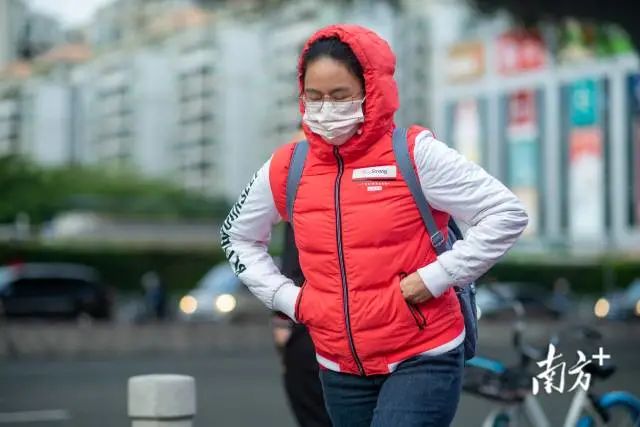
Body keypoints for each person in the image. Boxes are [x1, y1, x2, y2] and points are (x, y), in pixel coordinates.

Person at [221, 24, 529, 427]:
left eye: (339, 96)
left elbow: (506, 214)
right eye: (313, 97)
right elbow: (236, 236)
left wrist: (437, 277)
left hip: (424, 354)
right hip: (338, 365)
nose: (325, 109)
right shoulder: (287, 167)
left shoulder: (415, 153)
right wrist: (287, 299)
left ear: (371, 89)